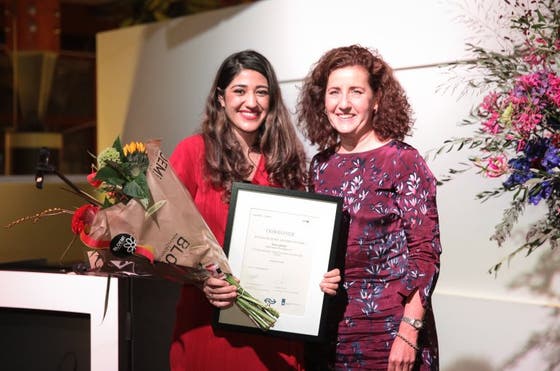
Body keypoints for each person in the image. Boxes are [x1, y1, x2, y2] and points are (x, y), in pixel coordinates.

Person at [169, 49, 340, 371]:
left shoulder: (286, 160)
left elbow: (301, 244)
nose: (251, 102)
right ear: (220, 98)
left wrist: (319, 277)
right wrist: (201, 280)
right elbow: (164, 238)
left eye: (261, 92)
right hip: (209, 325)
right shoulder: (194, 153)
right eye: (239, 91)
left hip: (274, 333)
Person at [296, 45, 442, 371]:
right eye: (334, 92)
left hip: (390, 336)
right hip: (328, 335)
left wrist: (409, 332)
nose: (343, 103)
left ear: (376, 100)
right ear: (322, 102)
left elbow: (426, 254)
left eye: (356, 92)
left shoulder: (404, 161)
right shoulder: (320, 166)